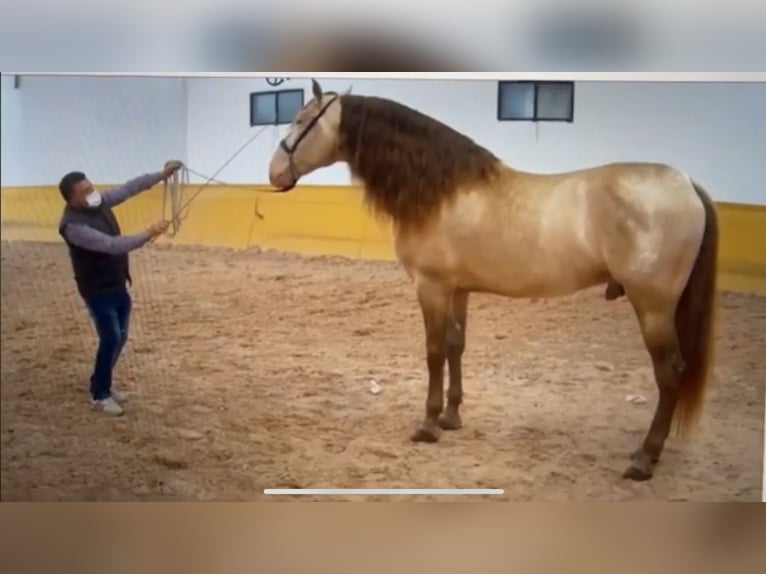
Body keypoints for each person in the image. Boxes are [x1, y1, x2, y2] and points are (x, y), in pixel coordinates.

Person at [58, 161, 182, 416]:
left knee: (120, 336)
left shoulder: (98, 202)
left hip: (116, 283)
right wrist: (148, 233)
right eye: (85, 192)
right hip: (97, 290)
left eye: (91, 187)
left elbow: (129, 188)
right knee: (112, 337)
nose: (92, 193)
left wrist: (162, 174)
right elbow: (112, 245)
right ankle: (99, 395)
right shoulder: (73, 227)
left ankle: (102, 382)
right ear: (71, 200)